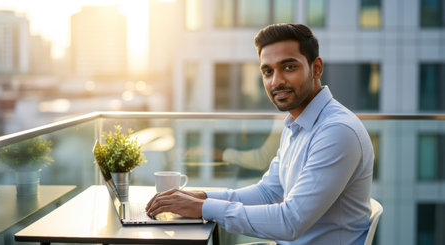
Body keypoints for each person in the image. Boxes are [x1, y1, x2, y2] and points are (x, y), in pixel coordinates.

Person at [146, 23, 374, 244]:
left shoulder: (337, 132)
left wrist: (203, 208)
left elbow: (290, 221)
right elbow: (268, 192)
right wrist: (203, 197)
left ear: (316, 68)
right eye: (267, 71)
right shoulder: (296, 124)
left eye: (289, 67)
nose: (276, 81)